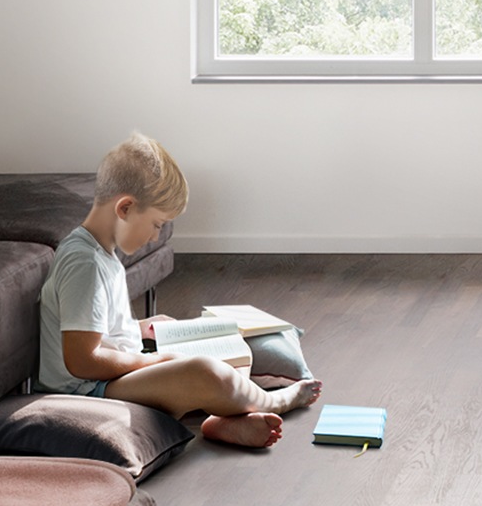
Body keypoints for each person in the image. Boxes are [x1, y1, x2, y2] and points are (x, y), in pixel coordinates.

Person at [37, 132, 322, 447]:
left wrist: (140, 328)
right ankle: (277, 401)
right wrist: (155, 361)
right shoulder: (86, 265)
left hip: (113, 375)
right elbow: (82, 361)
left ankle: (222, 420)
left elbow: (97, 329)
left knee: (227, 349)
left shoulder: (101, 254)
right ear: (125, 209)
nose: (155, 236)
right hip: (90, 391)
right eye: (157, 224)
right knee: (205, 372)